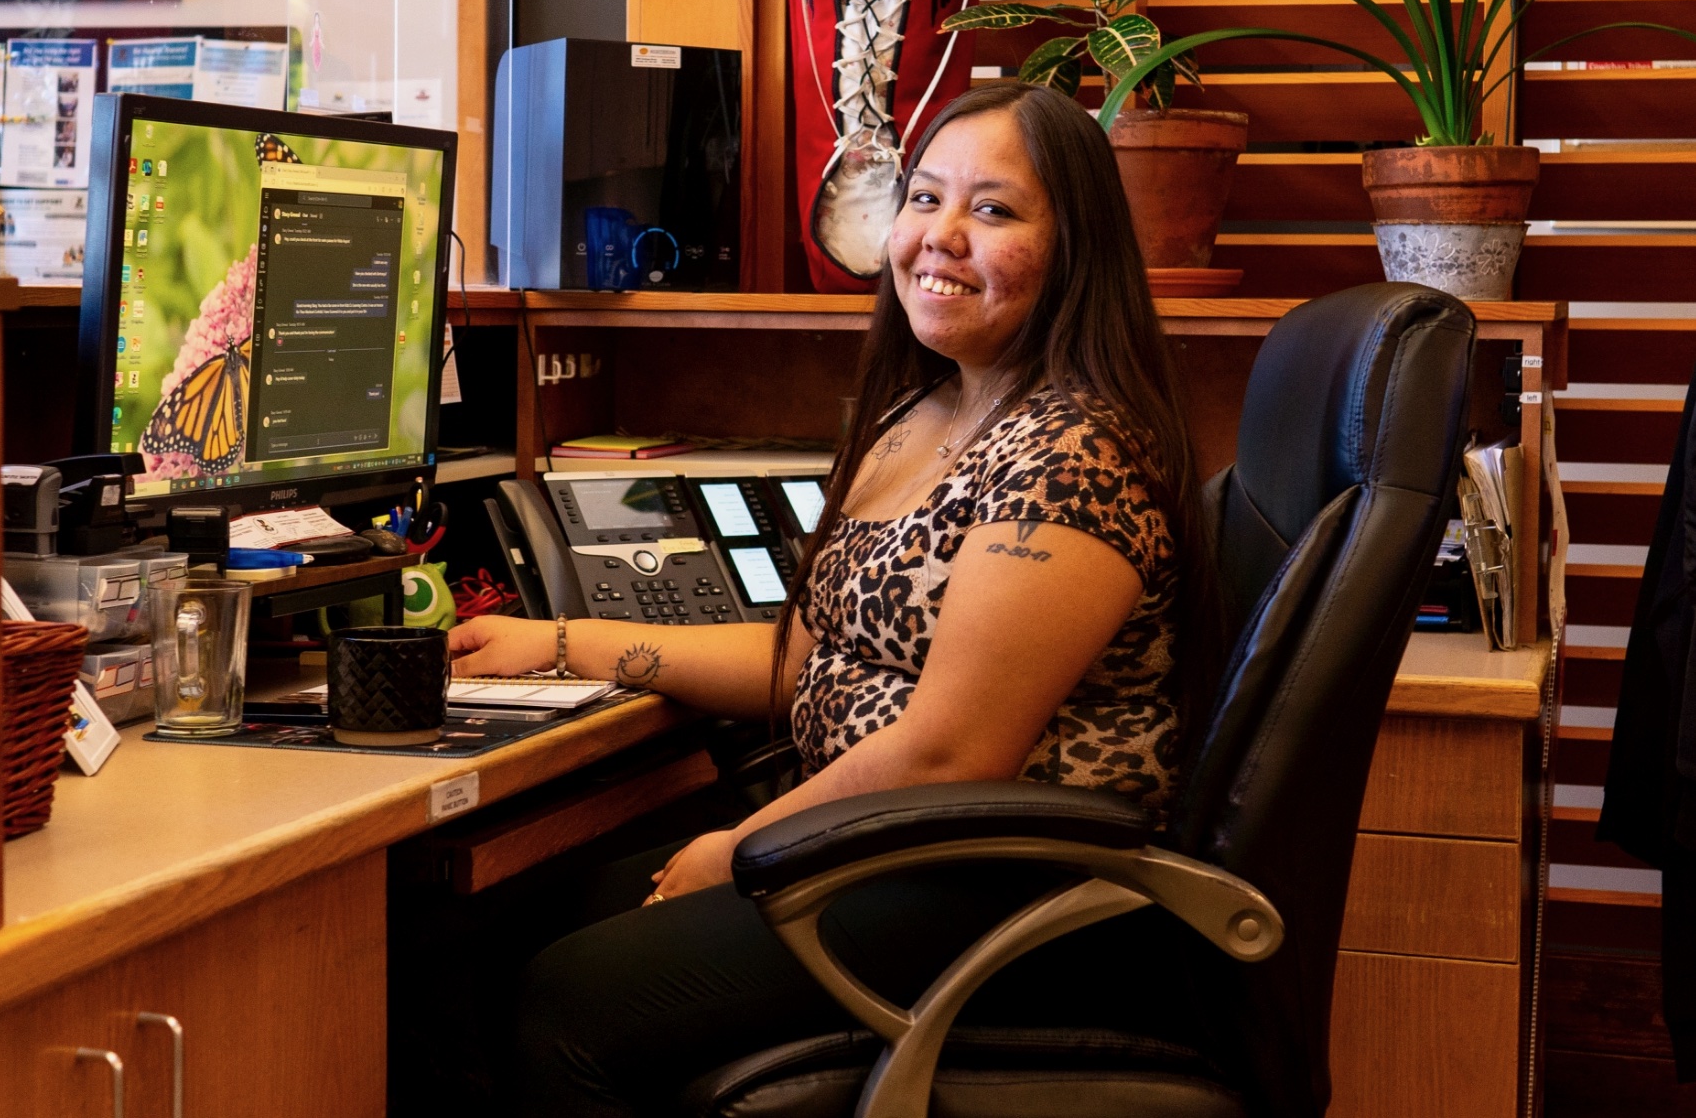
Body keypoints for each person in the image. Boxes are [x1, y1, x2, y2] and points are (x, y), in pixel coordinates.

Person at [448, 80, 1220, 1115]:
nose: (939, 237)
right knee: (496, 930)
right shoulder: (923, 412)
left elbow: (955, 750)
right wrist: (557, 641)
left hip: (1000, 883)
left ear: (1077, 246)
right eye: (924, 198)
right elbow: (799, 663)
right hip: (879, 847)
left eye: (992, 210)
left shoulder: (1072, 450)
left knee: (562, 1000)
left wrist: (744, 851)